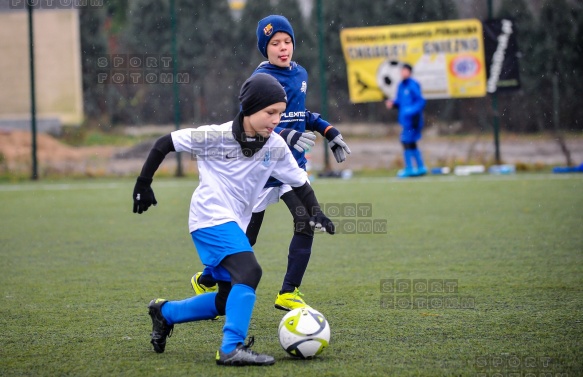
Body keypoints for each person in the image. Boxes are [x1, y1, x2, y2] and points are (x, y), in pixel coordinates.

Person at [132, 73, 335, 366]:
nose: (276, 119)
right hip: (208, 217)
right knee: (250, 272)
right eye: (270, 112)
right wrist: (143, 182)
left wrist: (316, 212)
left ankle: (165, 313)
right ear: (250, 109)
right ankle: (231, 347)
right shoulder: (216, 136)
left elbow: (300, 182)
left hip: (232, 225)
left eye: (279, 113)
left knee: (225, 300)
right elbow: (165, 143)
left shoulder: (275, 146)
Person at [191, 15, 351, 312]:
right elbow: (249, 123)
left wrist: (330, 132)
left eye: (287, 41)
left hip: (292, 168)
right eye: (275, 43)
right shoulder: (260, 80)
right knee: (247, 237)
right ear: (265, 48)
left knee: (305, 222)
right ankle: (208, 276)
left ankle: (288, 292)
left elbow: (302, 115)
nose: (283, 48)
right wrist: (288, 135)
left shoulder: (300, 73)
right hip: (263, 169)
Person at [385, 63, 427, 178]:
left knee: (406, 141)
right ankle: (420, 167)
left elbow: (420, 101)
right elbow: (400, 102)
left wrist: (411, 111)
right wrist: (393, 104)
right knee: (411, 142)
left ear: (409, 72)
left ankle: (410, 169)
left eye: (405, 71)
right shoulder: (400, 85)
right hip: (405, 120)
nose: (402, 73)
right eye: (401, 71)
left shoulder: (413, 84)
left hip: (413, 119)